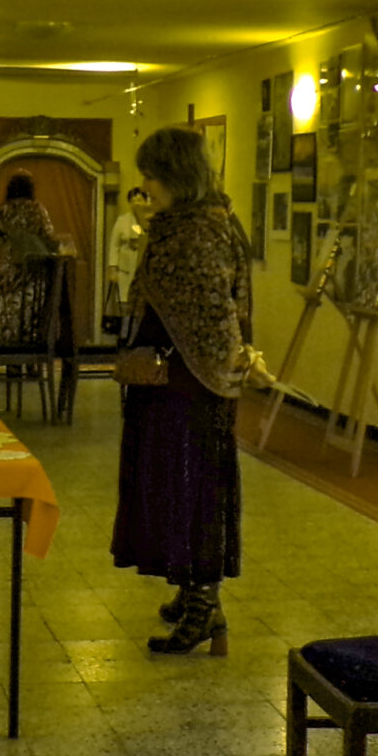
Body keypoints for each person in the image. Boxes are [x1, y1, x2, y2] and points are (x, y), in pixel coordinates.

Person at [112, 125, 257, 656]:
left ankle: (204, 605)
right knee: (174, 487)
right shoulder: (181, 226)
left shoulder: (198, 232)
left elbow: (213, 314)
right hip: (169, 382)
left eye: (152, 176)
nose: (145, 186)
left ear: (177, 176)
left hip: (189, 388)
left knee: (193, 490)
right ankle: (192, 590)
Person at [0, 173, 63, 346]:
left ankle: (7, 340)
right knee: (30, 303)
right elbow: (48, 234)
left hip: (10, 263)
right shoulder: (37, 209)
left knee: (8, 303)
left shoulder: (3, 210)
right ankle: (30, 342)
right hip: (34, 265)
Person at [106, 183, 149, 324]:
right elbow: (114, 245)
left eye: (139, 199)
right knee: (124, 302)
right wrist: (113, 268)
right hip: (125, 269)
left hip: (142, 267)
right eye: (133, 200)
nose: (136, 203)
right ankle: (124, 330)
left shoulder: (149, 219)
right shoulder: (123, 221)